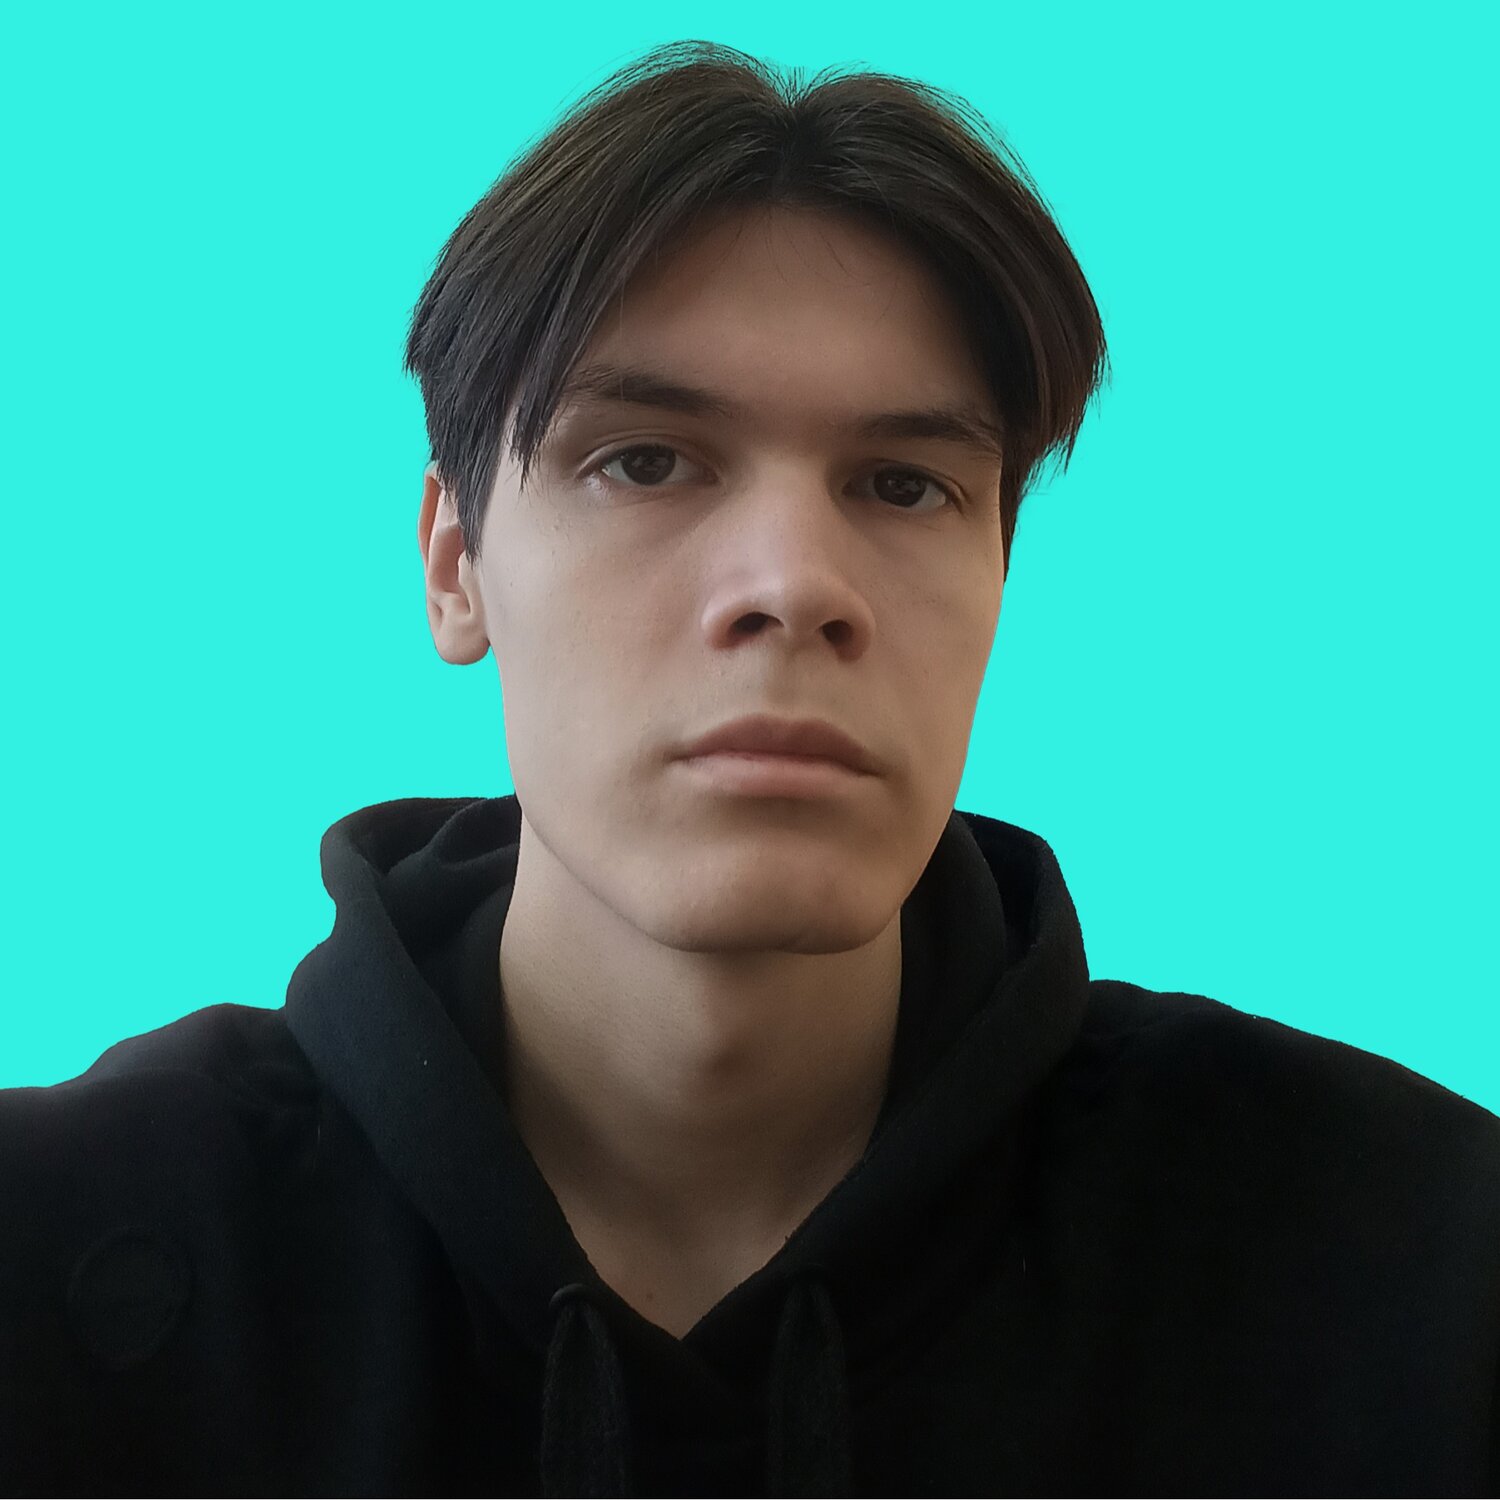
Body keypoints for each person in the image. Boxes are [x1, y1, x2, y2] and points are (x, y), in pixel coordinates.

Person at [3, 39, 1496, 1499]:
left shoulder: (1414, 1259)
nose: (794, 585)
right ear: (456, 562)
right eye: (645, 460)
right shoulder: (59, 1250)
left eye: (904, 484)